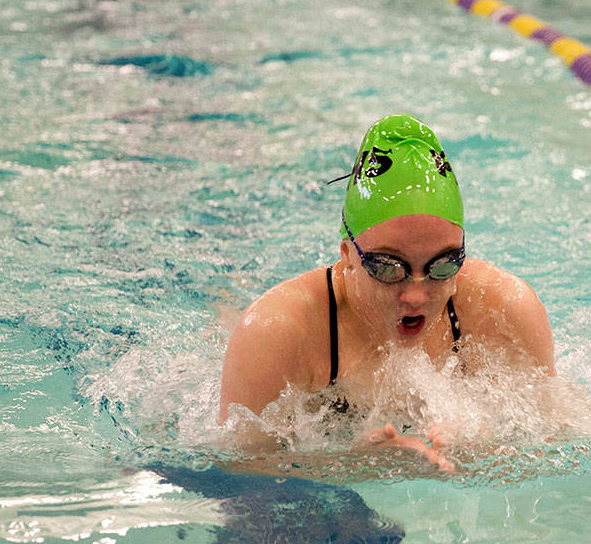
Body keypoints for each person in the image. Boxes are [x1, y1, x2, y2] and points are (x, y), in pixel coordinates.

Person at [219, 114, 555, 470]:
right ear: (347, 254)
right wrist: (358, 465)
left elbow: (557, 447)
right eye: (387, 268)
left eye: (442, 265)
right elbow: (242, 472)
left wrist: (475, 452)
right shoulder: (278, 332)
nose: (416, 296)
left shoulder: (504, 310)